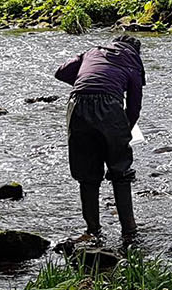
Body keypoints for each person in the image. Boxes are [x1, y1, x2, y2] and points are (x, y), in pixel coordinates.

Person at [54, 34, 145, 243]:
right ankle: (129, 231)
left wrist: (87, 80)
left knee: (87, 174)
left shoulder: (92, 51)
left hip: (77, 104)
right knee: (120, 171)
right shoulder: (133, 61)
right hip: (110, 108)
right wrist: (125, 130)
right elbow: (134, 106)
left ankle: (92, 230)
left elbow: (61, 72)